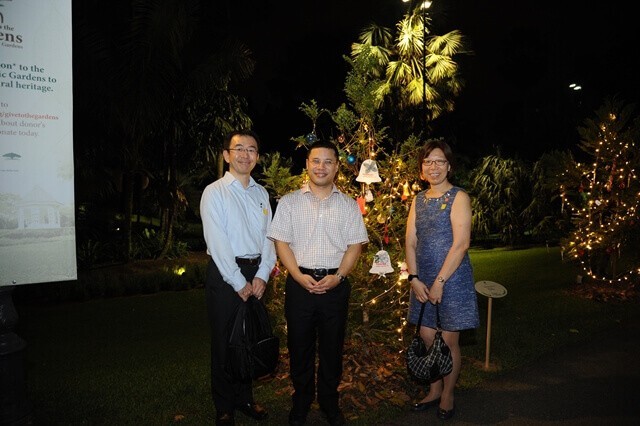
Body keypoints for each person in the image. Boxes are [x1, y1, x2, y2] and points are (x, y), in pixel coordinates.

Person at [267, 140, 369, 426]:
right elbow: (281, 243)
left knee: (332, 349)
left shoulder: (348, 205)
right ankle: (300, 403)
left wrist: (339, 277)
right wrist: (297, 276)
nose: (321, 167)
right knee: (299, 348)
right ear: (307, 165)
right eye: (316, 161)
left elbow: (355, 246)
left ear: (336, 167)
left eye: (328, 162)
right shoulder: (289, 202)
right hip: (299, 285)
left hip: (336, 285)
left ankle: (329, 402)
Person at [199, 129, 277, 425]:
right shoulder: (214, 192)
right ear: (226, 155)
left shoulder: (261, 193)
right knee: (224, 341)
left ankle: (245, 399)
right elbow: (217, 241)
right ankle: (224, 406)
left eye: (251, 149)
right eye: (239, 148)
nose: (246, 154)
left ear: (257, 156)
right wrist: (237, 281)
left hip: (256, 274)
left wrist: (263, 274)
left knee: (249, 338)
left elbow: (270, 238)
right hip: (225, 274)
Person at [404, 139, 479, 421]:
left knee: (448, 341)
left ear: (449, 166)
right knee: (426, 337)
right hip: (422, 280)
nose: (433, 167)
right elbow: (410, 241)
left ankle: (448, 394)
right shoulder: (418, 199)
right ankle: (434, 390)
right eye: (427, 162)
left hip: (452, 279)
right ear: (421, 168)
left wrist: (440, 281)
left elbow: (461, 244)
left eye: (439, 161)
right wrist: (413, 278)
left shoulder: (459, 197)